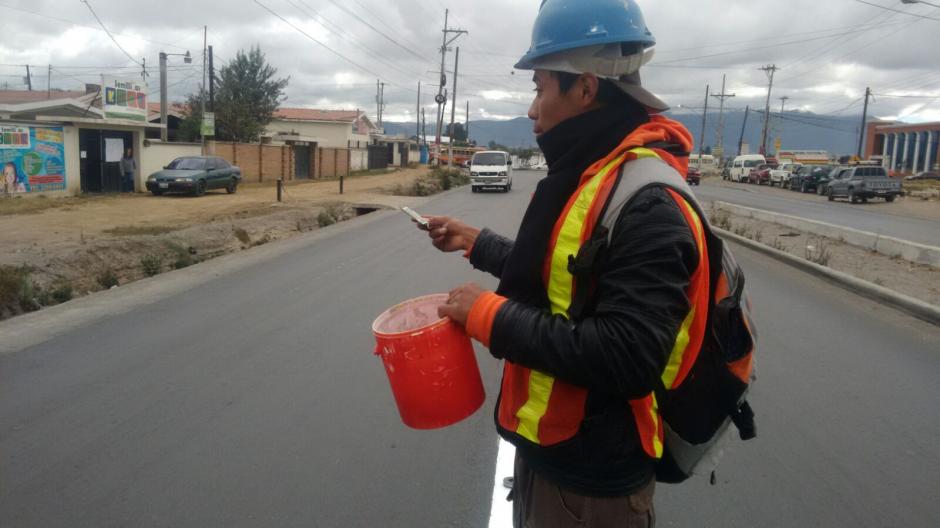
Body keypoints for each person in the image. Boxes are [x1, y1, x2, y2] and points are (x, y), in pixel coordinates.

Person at [423, 1, 710, 526]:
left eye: (539, 89)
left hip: (593, 484)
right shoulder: (595, 173)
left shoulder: (648, 202)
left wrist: (489, 315)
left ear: (585, 88)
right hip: (554, 456)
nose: (533, 110)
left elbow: (628, 355)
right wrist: (477, 242)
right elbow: (569, 276)